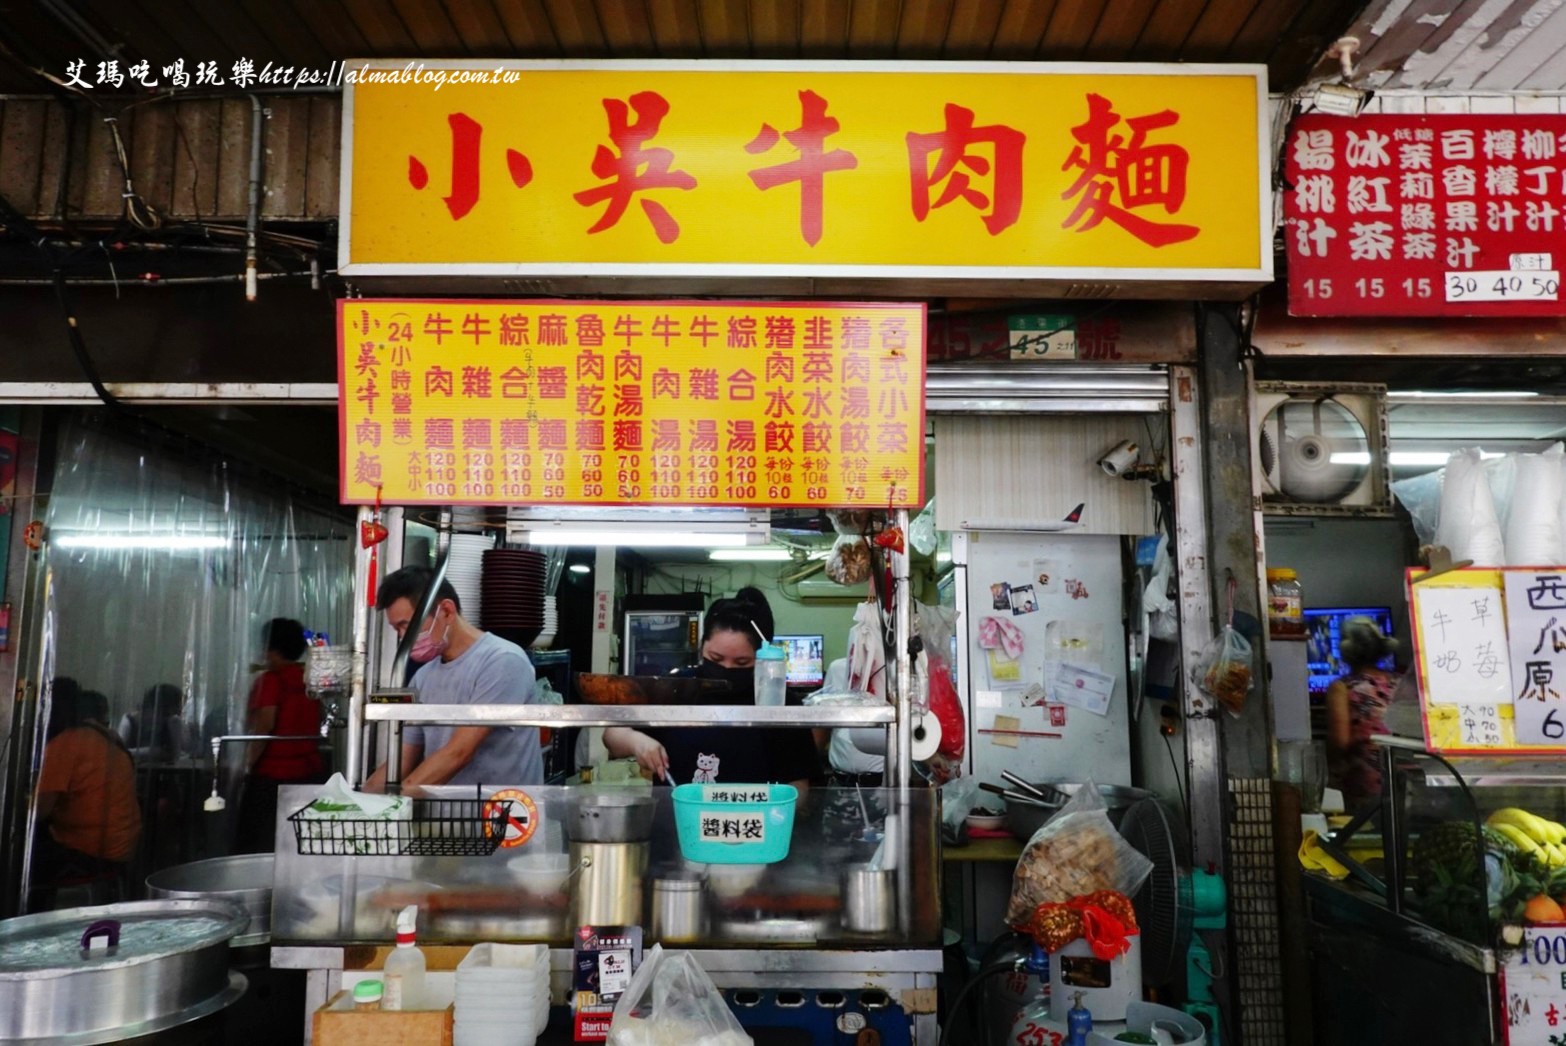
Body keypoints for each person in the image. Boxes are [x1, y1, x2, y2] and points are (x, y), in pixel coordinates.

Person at [604, 587, 819, 789]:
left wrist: (775, 814)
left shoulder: (778, 700)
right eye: (716, 658)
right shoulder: (676, 688)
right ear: (702, 646)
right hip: (678, 823)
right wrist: (636, 742)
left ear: (761, 659)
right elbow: (612, 734)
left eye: (742, 663)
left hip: (753, 824)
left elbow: (799, 786)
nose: (726, 668)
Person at [364, 566, 540, 791]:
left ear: (446, 611)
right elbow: (403, 759)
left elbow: (459, 753)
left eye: (406, 626)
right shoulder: (423, 677)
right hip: (447, 819)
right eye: (396, 629)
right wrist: (359, 801)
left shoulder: (503, 661)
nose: (402, 637)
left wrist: (394, 804)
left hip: (506, 818)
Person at [31, 679, 141, 906]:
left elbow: (39, 812)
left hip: (89, 852)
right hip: (120, 849)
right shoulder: (108, 737)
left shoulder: (66, 743)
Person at [234, 618, 326, 853]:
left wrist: (244, 767)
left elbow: (264, 727)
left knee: (261, 845)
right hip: (309, 775)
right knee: (298, 845)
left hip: (272, 779)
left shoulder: (271, 681)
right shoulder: (309, 679)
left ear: (271, 649)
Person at [1325, 617, 1401, 805]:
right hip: (1403, 778)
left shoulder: (1342, 688)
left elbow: (1340, 743)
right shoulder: (1399, 683)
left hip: (1366, 783)